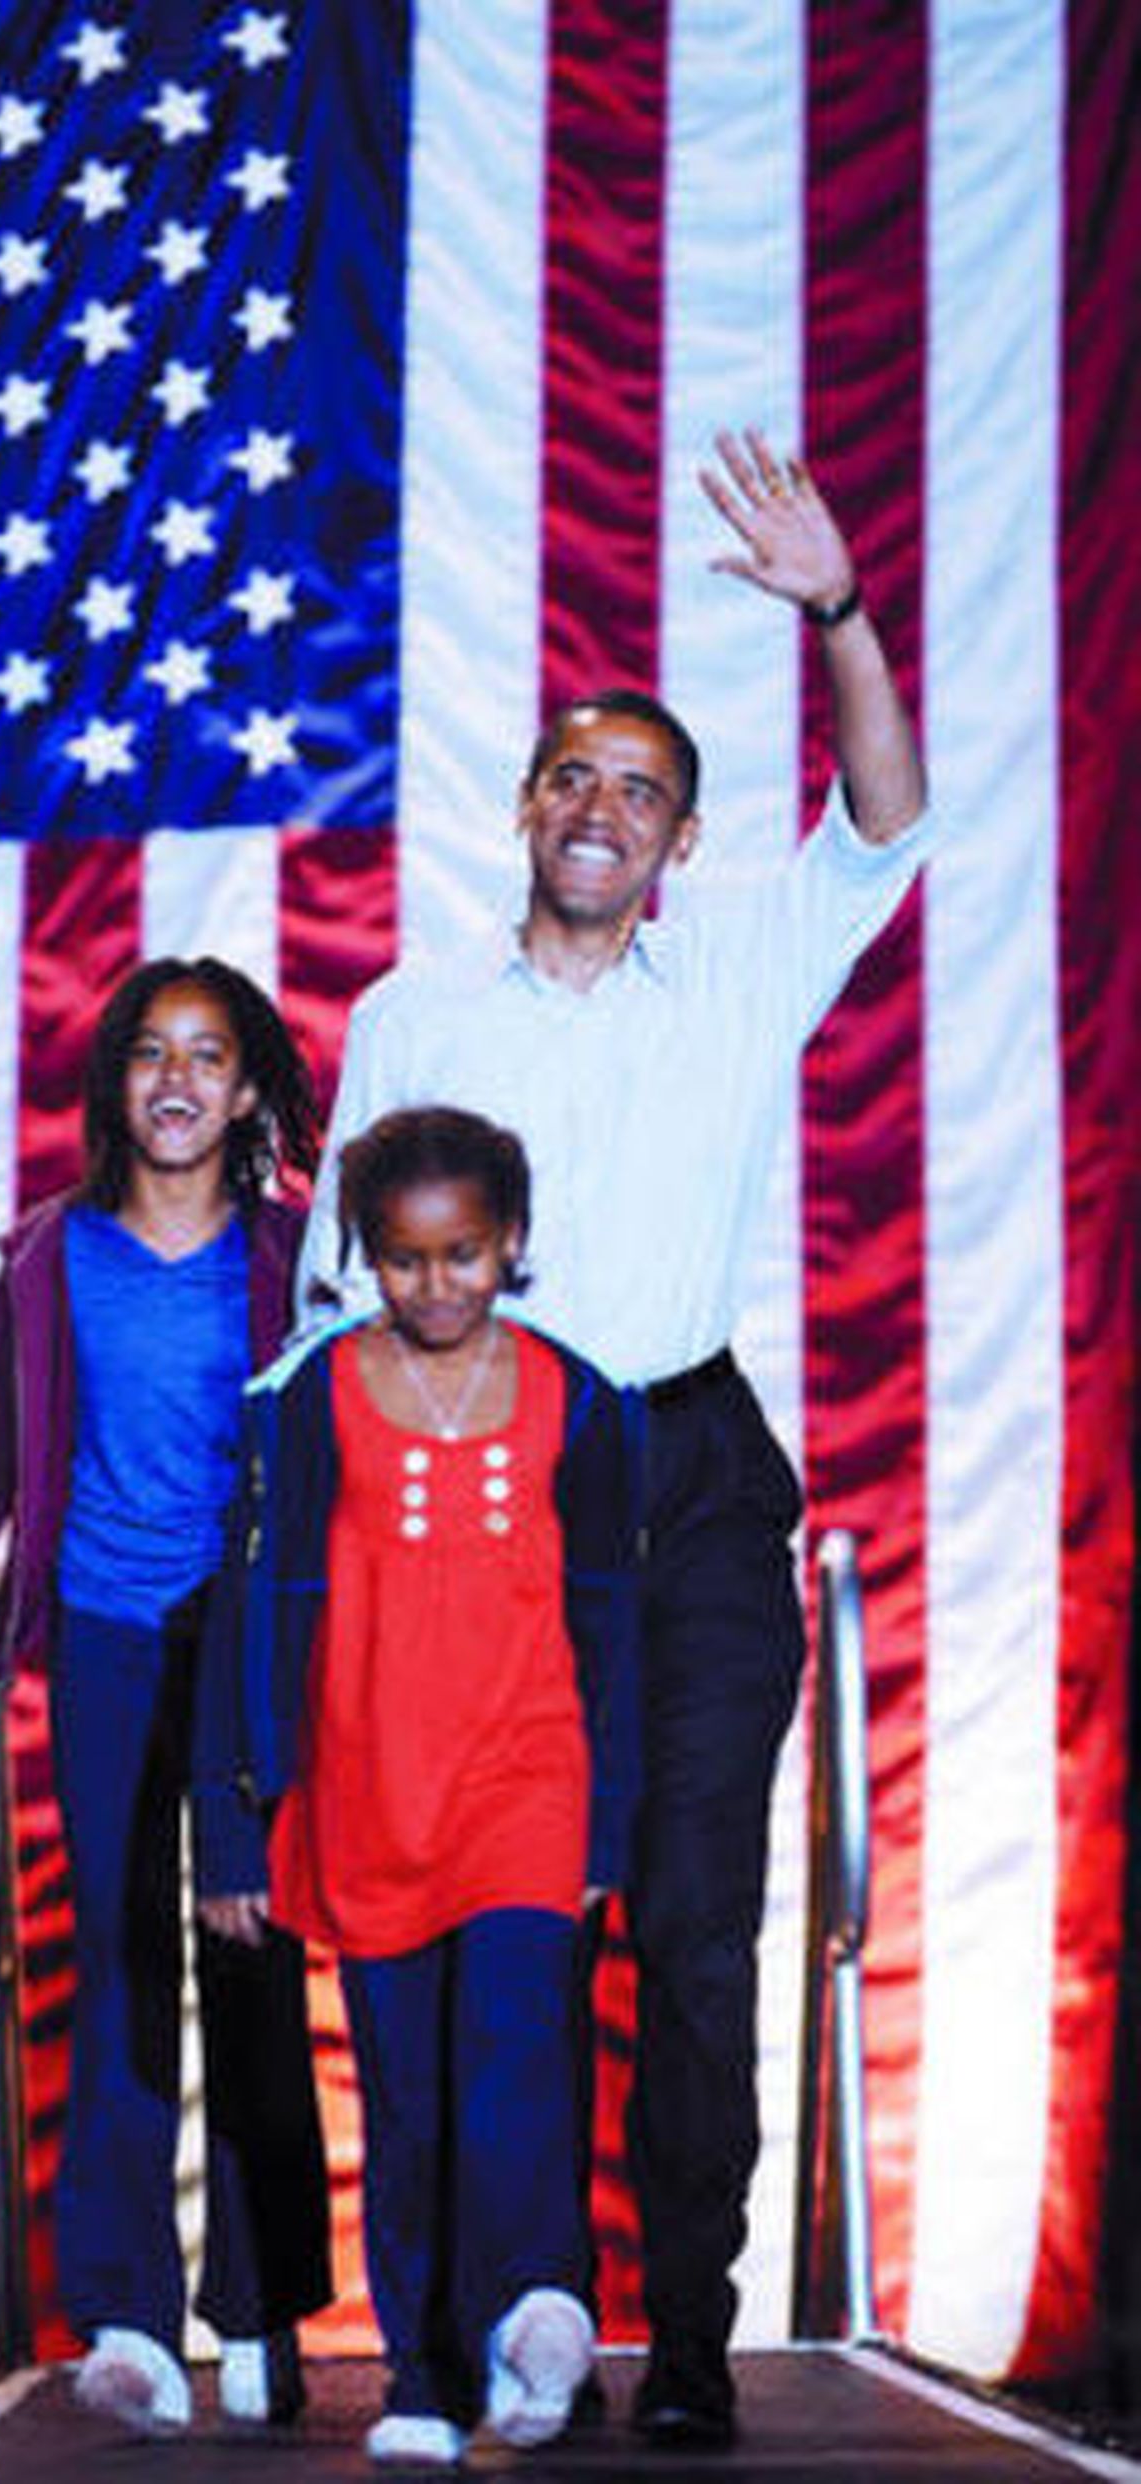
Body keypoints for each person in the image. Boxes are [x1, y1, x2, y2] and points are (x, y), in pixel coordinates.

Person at [294, 430, 930, 2447]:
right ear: (523, 807)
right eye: (572, 777)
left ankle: (692, 2339)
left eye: (639, 791)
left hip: (691, 1471)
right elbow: (335, 1298)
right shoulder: (415, 1014)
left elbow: (890, 823)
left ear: (678, 840)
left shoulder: (738, 965)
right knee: (509, 1922)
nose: (599, 810)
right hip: (482, 1486)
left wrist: (838, 611)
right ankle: (519, 2322)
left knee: (692, 1920)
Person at [0, 957, 333, 2433]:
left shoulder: (291, 1256)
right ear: (114, 1084)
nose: (177, 1079)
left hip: (247, 1654)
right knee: (124, 1963)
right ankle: (129, 2311)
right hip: (108, 1641)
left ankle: (262, 2310)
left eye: (209, 1055)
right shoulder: (51, 1256)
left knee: (254, 1961)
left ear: (250, 1092)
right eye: (151, 1052)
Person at [196, 1106, 641, 2466]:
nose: (436, 1284)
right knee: (408, 2105)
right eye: (403, 1258)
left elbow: (613, 1626)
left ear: (511, 1243)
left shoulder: (580, 1398)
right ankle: (426, 2377)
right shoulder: (308, 1402)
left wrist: (608, 1819)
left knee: (516, 2059)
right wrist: (233, 1827)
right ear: (366, 1256)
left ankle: (532, 2311)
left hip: (527, 1783)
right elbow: (247, 1621)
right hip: (372, 1791)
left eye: (463, 1255)